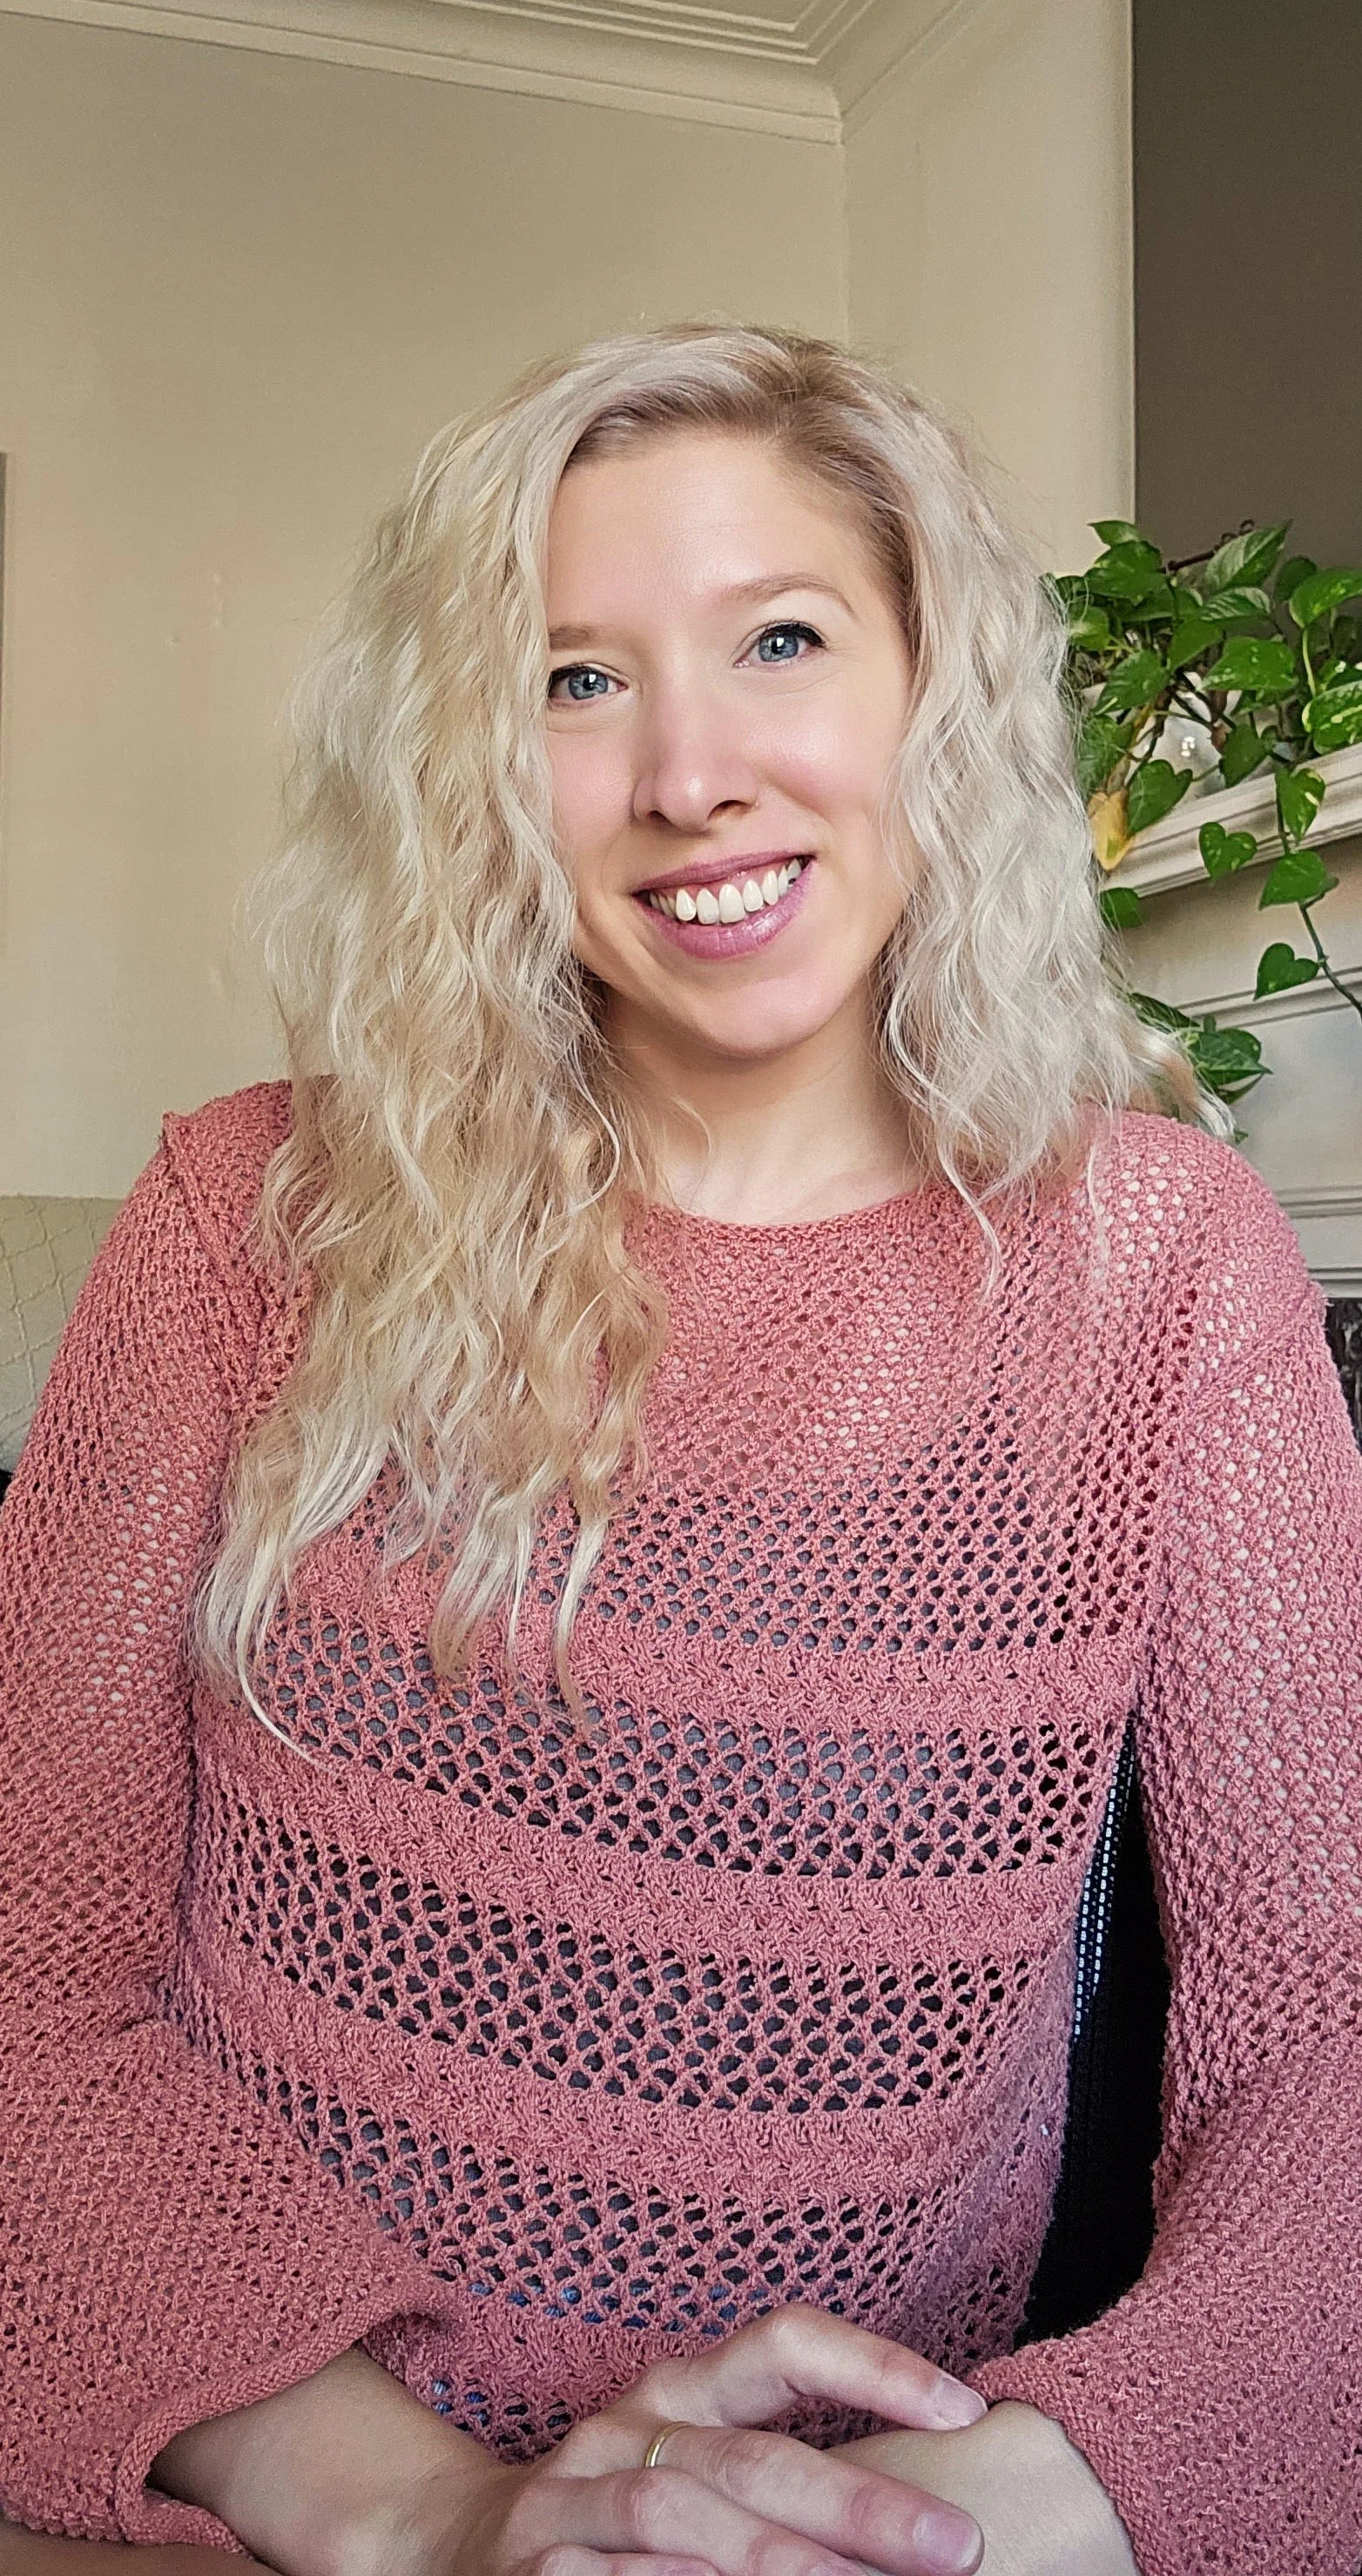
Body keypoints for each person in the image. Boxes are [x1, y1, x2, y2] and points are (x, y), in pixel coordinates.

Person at [1, 326, 1358, 2576]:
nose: (689, 774)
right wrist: (431, 2516)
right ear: (470, 763)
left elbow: (1331, 2032)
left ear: (930, 693)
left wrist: (1000, 2506)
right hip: (245, 2506)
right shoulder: (243, 1222)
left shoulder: (1159, 1274)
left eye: (783, 641)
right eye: (573, 682)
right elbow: (23, 1977)